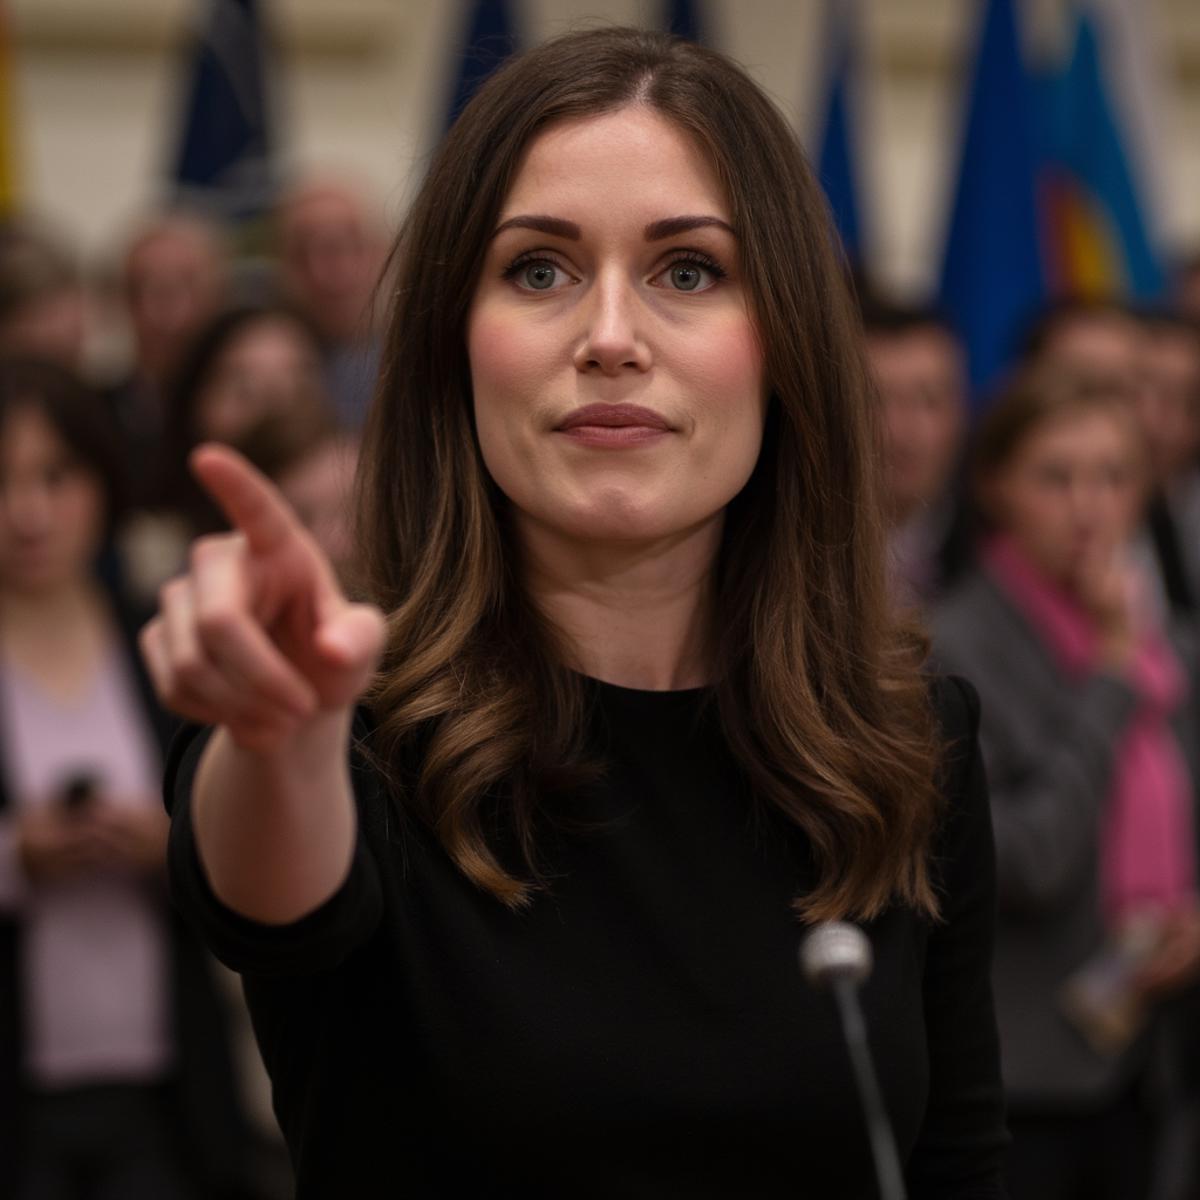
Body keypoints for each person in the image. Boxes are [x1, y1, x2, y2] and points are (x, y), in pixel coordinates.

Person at [141, 28, 1006, 1197]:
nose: (610, 337)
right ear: (455, 349)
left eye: (688, 271)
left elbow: (956, 1160)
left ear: (787, 346)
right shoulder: (349, 733)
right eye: (539, 270)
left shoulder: (912, 743)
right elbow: (268, 901)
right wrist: (280, 736)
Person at [931, 368, 1200, 1200]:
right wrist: (1112, 684)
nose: (1089, 505)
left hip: (1148, 1057)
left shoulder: (1165, 643)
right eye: (1057, 476)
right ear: (995, 486)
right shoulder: (949, 648)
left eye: (1113, 476)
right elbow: (1024, 860)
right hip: (1020, 1076)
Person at [0, 359, 250, 1197]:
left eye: (55, 477)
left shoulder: (162, 641)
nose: (27, 513)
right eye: (3, 481)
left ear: (102, 484)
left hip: (168, 1079)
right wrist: (17, 858)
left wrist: (171, 845)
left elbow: (244, 852)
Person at [861, 297, 972, 607]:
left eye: (929, 400)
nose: (902, 430)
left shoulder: (996, 548)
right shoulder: (792, 546)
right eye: (875, 401)